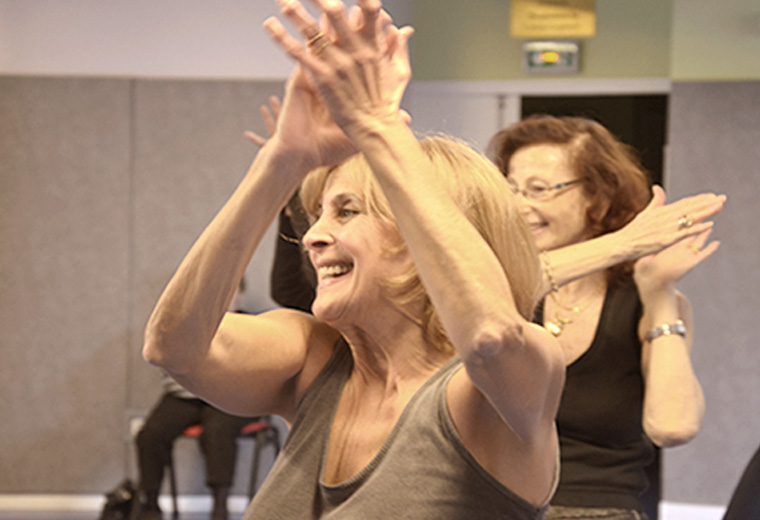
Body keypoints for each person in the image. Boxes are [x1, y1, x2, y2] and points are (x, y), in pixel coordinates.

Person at [143, 1, 566, 518]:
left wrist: (380, 127)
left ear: (422, 240)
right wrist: (282, 160)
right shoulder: (312, 357)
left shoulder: (502, 386)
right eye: (320, 214)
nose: (316, 236)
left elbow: (490, 338)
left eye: (347, 211)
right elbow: (173, 348)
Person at [487, 115, 726, 519]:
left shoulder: (639, 301)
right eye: (512, 189)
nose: (519, 206)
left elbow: (673, 427)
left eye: (539, 190)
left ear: (596, 199)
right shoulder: (496, 290)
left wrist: (659, 294)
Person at [134, 280, 253, 520]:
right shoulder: (186, 324)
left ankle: (220, 506)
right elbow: (167, 363)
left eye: (231, 293)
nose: (225, 299)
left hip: (229, 396)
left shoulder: (253, 326)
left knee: (219, 431)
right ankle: (151, 504)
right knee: (150, 434)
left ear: (240, 296)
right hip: (184, 395)